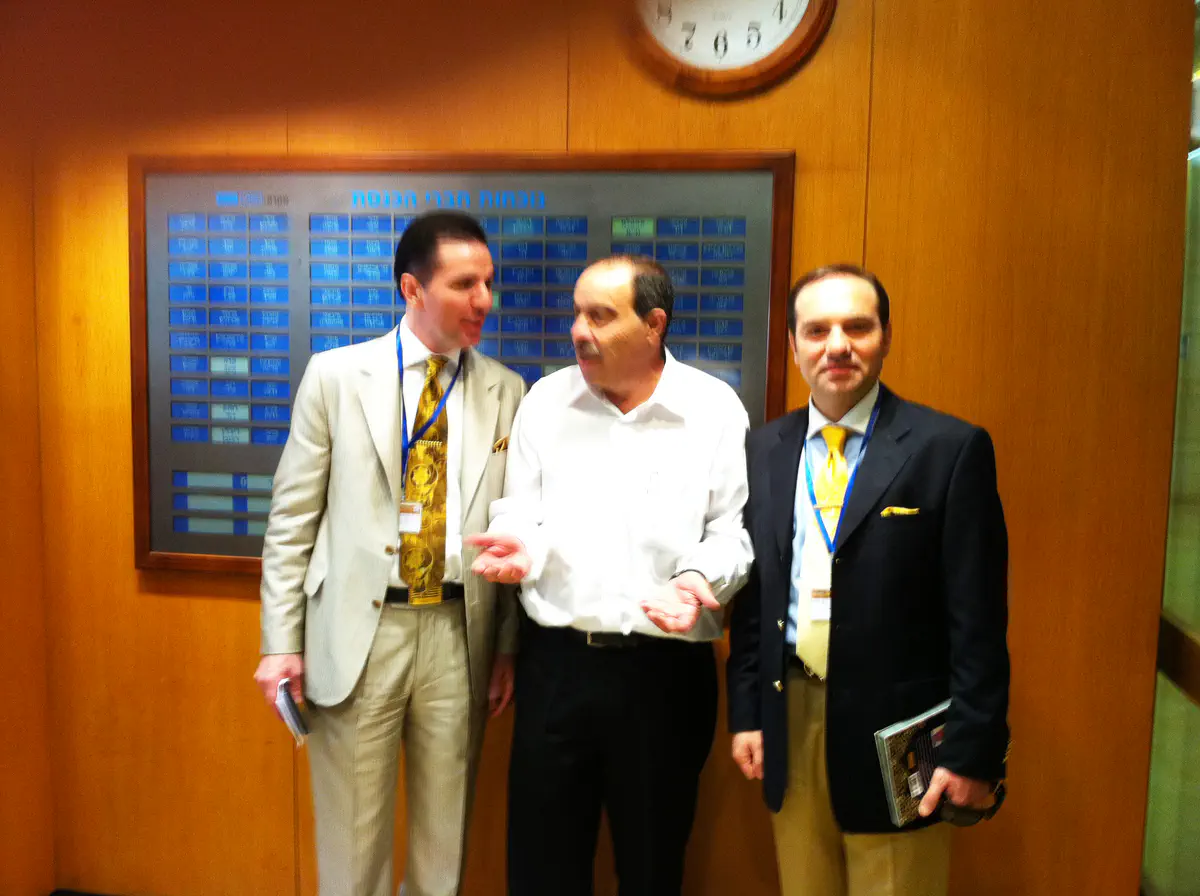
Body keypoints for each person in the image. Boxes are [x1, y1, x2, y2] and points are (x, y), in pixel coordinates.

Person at [253, 211, 526, 896]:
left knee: (444, 843)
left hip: (460, 633)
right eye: (464, 284)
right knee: (354, 845)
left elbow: (516, 522)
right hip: (360, 633)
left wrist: (506, 647)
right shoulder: (336, 377)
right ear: (412, 288)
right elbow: (292, 521)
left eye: (488, 283)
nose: (484, 300)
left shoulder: (507, 390)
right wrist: (280, 643)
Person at [467, 255, 754, 896]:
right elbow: (521, 511)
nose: (579, 330)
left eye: (600, 316)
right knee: (542, 869)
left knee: (652, 868)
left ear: (654, 325)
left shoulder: (712, 409)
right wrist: (520, 547)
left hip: (664, 674)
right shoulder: (547, 400)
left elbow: (730, 532)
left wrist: (696, 579)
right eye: (577, 313)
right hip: (557, 668)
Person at [727, 264, 1010, 895]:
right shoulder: (764, 450)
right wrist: (747, 712)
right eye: (817, 330)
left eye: (857, 327)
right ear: (793, 344)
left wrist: (973, 749)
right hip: (791, 712)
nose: (837, 346)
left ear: (885, 338)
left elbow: (979, 621)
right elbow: (756, 601)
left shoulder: (948, 449)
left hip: (901, 728)